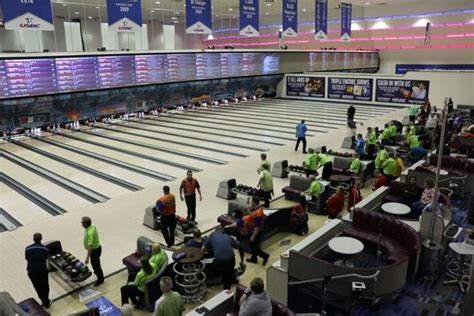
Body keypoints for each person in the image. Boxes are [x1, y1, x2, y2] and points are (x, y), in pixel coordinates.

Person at [225, 197, 269, 265]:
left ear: (254, 202)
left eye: (252, 201)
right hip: (253, 229)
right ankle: (254, 259)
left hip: (255, 232)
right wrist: (249, 211)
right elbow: (253, 216)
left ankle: (265, 256)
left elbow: (258, 226)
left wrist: (253, 236)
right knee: (253, 246)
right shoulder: (257, 209)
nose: (251, 202)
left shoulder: (258, 213)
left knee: (254, 246)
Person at [25, 233, 51, 308]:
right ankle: (46, 302)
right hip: (42, 270)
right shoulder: (45, 249)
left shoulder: (28, 248)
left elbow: (27, 259)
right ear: (41, 239)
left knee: (37, 286)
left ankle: (43, 301)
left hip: (31, 270)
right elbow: (46, 259)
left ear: (33, 239)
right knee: (45, 286)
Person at [82, 216, 104, 286]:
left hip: (94, 251)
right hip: (98, 248)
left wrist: (87, 257)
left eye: (82, 223)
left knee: (96, 265)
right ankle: (97, 272)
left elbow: (90, 247)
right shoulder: (92, 227)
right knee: (96, 264)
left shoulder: (90, 233)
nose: (81, 224)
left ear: (85, 224)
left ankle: (100, 280)